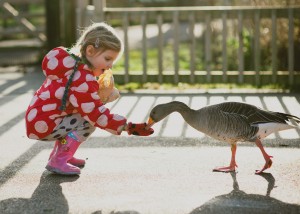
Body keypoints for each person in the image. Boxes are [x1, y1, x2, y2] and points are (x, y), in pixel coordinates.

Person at [25, 22, 154, 175]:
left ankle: (61, 153)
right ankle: (59, 159)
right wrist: (127, 127)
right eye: (107, 59)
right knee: (88, 122)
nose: (110, 66)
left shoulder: (71, 65)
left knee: (80, 117)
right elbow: (96, 113)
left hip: (40, 119)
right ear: (90, 51)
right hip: (45, 125)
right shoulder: (82, 78)